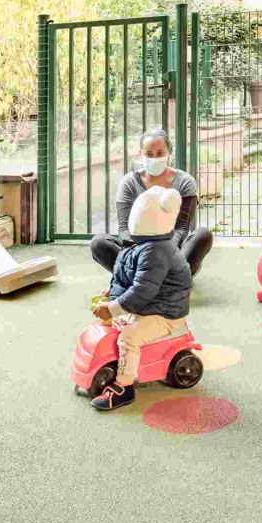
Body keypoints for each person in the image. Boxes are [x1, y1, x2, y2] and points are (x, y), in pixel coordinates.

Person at [91, 186, 193, 411]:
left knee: (129, 336)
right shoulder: (143, 245)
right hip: (149, 306)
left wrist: (115, 307)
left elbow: (143, 290)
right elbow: (132, 277)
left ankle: (123, 387)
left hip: (166, 314)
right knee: (107, 326)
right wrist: (112, 294)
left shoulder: (157, 251)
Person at [90, 129, 214, 278]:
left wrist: (163, 251)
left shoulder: (185, 181)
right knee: (99, 243)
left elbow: (182, 228)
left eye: (160, 153)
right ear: (141, 154)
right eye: (148, 154)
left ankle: (141, 280)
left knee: (203, 235)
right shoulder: (129, 182)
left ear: (169, 152)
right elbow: (124, 227)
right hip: (137, 250)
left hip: (173, 253)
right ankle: (165, 281)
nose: (154, 158)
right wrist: (144, 253)